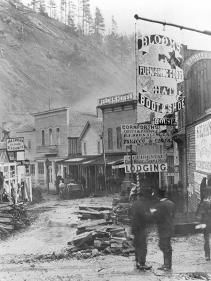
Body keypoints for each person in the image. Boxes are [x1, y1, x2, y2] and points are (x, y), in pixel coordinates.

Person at [130, 188, 153, 271]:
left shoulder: (134, 204)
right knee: (143, 246)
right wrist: (150, 215)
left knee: (137, 245)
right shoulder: (142, 205)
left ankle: (137, 262)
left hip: (135, 228)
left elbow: (131, 215)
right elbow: (144, 216)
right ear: (143, 197)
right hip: (141, 228)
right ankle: (142, 263)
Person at [154, 189, 175, 271]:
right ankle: (168, 264)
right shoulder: (171, 203)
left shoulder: (159, 205)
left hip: (163, 228)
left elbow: (156, 217)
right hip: (170, 227)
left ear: (158, 196)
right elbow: (173, 215)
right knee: (167, 246)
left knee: (163, 246)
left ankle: (167, 265)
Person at [197, 179, 211, 261]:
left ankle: (207, 255)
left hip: (206, 223)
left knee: (206, 240)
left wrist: (200, 223)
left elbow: (200, 214)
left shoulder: (204, 202)